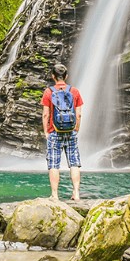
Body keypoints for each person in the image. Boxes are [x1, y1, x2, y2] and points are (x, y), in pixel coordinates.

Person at [41, 63, 83, 201]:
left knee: (54, 164)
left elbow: (46, 115)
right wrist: (76, 128)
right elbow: (79, 114)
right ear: (66, 76)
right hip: (71, 131)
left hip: (54, 131)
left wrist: (46, 132)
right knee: (74, 162)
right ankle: (76, 193)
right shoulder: (74, 91)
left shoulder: (49, 92)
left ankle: (54, 195)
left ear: (53, 76)